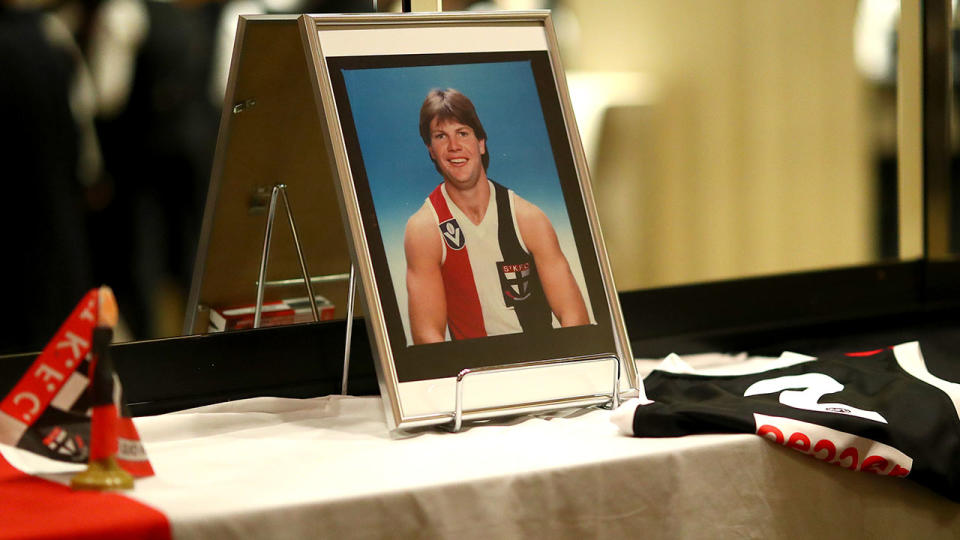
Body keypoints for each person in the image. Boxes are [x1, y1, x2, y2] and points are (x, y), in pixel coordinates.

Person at [404, 88, 589, 344]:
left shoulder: (527, 218)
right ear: (431, 150)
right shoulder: (424, 229)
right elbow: (428, 337)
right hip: (475, 376)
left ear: (481, 143)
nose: (454, 146)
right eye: (440, 136)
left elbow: (575, 318)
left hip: (542, 368)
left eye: (462, 133)